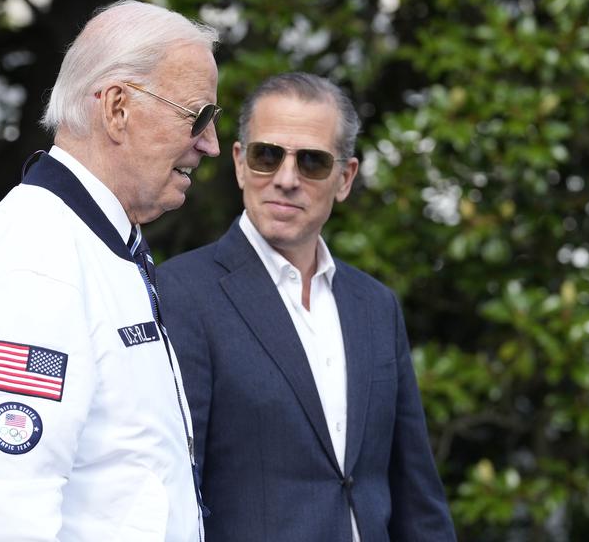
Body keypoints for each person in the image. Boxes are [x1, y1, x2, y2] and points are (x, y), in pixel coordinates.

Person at [0, 0, 222, 541]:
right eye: (197, 116)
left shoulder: (92, 243)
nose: (210, 143)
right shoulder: (39, 257)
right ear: (117, 108)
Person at [158, 72, 456, 541]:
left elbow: (415, 489)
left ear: (345, 178)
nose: (286, 179)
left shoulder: (375, 306)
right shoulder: (180, 293)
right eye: (267, 155)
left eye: (313, 162)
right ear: (239, 163)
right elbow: (171, 487)